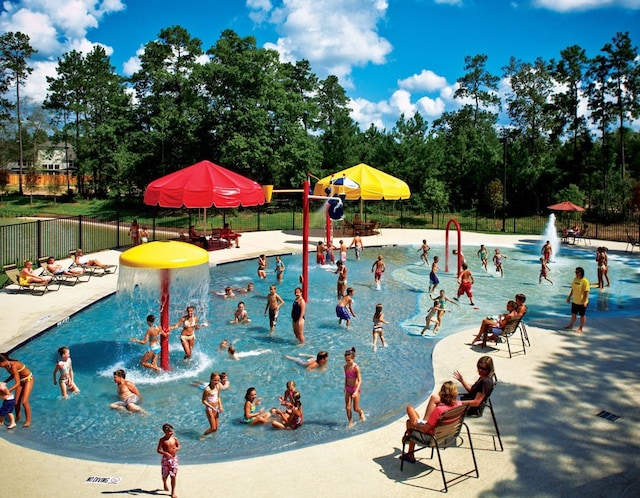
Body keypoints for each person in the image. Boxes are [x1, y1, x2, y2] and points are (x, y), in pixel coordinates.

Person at [401, 380, 461, 463]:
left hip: (430, 437)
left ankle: (410, 448)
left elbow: (424, 429)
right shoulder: (459, 405)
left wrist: (416, 425)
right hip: (447, 433)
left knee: (409, 412)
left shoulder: (439, 410)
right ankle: (410, 452)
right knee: (409, 421)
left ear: (441, 393)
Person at [0, 353, 34, 427]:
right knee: (16, 402)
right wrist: (5, 381)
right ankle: (17, 419)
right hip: (21, 380)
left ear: (4, 361)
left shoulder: (14, 365)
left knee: (24, 401)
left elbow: (17, 383)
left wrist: (8, 391)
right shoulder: (7, 366)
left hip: (28, 379)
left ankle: (28, 421)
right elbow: (14, 374)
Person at [157, 423, 180, 498]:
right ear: (164, 432)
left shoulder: (174, 439)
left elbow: (178, 445)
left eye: (172, 431)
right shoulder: (162, 440)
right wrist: (165, 453)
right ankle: (164, 483)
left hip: (174, 459)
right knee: (165, 475)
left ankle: (173, 492)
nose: (171, 433)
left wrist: (177, 448)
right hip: (165, 460)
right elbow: (158, 450)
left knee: (173, 476)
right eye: (169, 431)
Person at [564, 266, 590, 334]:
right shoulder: (575, 279)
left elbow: (586, 292)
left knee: (582, 316)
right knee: (573, 314)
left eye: (577, 272)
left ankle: (581, 328)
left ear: (581, 273)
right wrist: (569, 297)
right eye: (575, 272)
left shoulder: (585, 281)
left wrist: (585, 301)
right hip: (575, 301)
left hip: (582, 302)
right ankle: (571, 325)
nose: (576, 273)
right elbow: (572, 289)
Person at [343, 347, 365, 427]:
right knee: (348, 408)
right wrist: (345, 387)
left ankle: (361, 412)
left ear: (353, 359)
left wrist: (356, 391)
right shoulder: (345, 367)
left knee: (355, 408)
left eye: (349, 360)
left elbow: (360, 380)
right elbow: (346, 378)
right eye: (346, 360)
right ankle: (350, 421)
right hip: (348, 389)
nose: (347, 362)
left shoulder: (356, 368)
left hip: (355, 389)